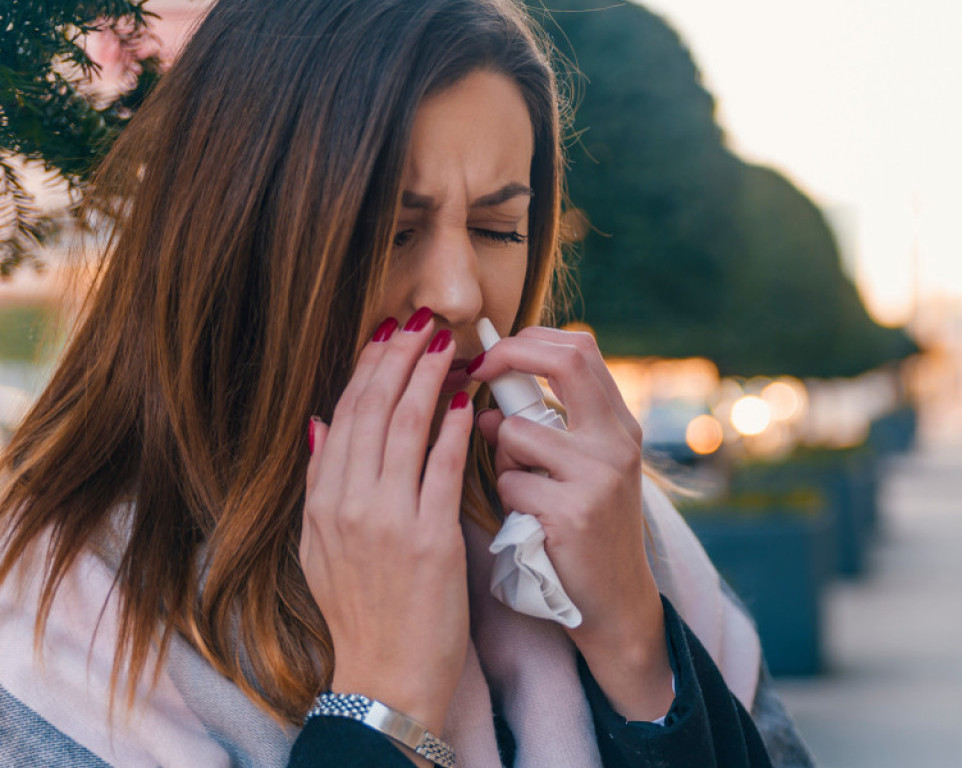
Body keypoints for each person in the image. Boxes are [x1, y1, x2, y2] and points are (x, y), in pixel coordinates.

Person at [0, 0, 815, 766]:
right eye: (390, 231)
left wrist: (636, 642)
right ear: (236, 237)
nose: (459, 294)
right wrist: (382, 705)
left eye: (498, 228)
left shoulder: (599, 523)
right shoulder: (55, 611)